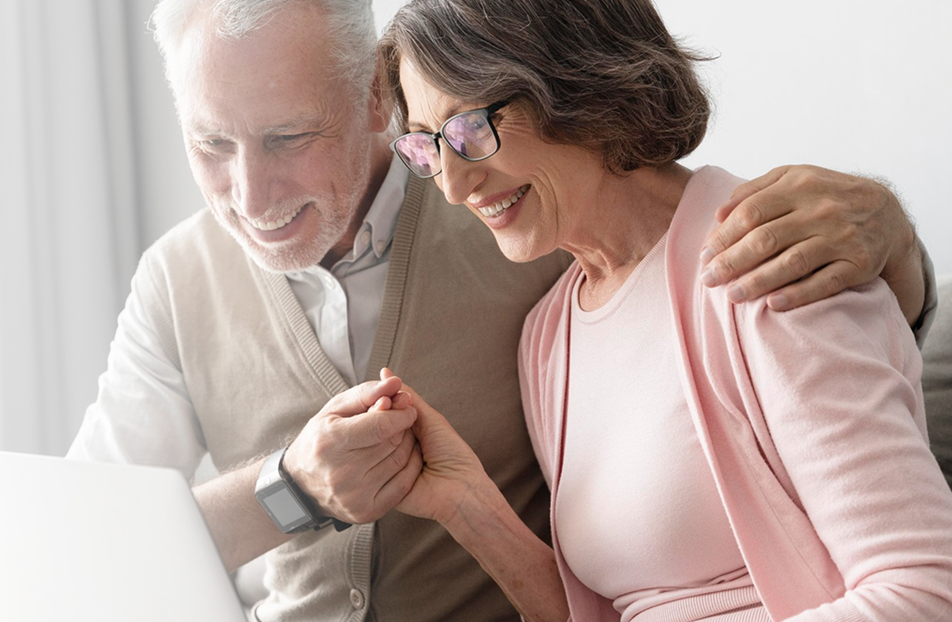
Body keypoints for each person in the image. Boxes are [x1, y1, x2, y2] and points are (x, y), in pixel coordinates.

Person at [0, 1, 939, 620]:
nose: (249, 193)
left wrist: (895, 247)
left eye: (288, 137)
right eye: (210, 145)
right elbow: (81, 549)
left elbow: (705, 277)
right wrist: (300, 493)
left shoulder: (539, 235)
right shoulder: (180, 280)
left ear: (369, 105)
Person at [373, 0, 952, 620]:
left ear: (576, 85)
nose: (453, 186)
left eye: (469, 129)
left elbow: (923, 589)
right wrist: (464, 501)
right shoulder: (548, 337)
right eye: (428, 146)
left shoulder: (766, 262)